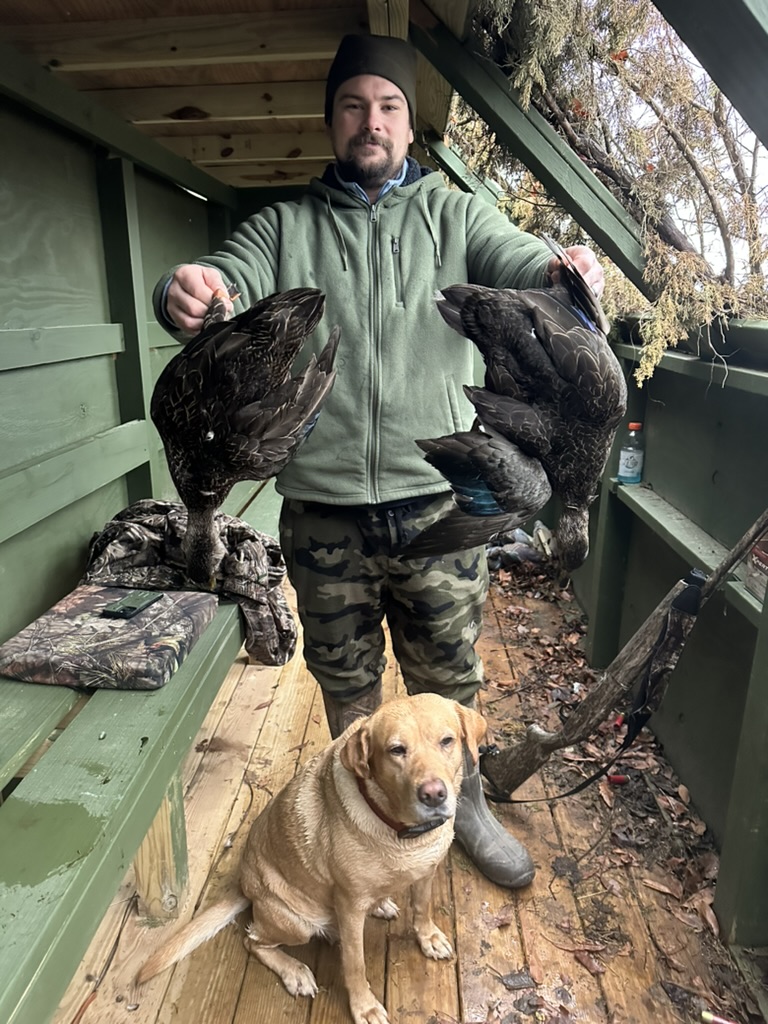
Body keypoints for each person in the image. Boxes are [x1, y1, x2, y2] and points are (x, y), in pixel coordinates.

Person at [153, 33, 605, 890]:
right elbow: (226, 275)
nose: (372, 121)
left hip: (444, 504)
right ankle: (359, 825)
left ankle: (464, 810)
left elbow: (521, 266)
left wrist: (561, 270)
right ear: (332, 121)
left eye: (389, 105)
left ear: (409, 124)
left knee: (449, 679)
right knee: (347, 685)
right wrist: (192, 285)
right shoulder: (286, 225)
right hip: (323, 509)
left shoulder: (455, 214)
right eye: (354, 105)